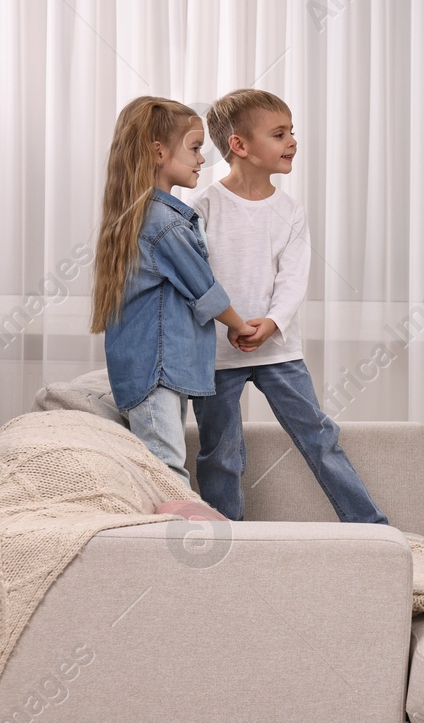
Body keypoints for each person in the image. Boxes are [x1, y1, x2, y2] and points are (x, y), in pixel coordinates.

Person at [191, 88, 388, 524]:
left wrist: (271, 323)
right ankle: (228, 539)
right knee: (221, 452)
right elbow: (196, 277)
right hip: (217, 354)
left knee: (319, 438)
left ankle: (371, 528)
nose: (293, 142)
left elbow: (294, 279)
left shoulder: (291, 211)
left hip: (279, 351)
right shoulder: (202, 206)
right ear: (239, 146)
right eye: (279, 134)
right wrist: (235, 324)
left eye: (292, 132)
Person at [91, 97, 258, 484]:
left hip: (155, 369)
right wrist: (239, 326)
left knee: (163, 464)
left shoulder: (144, 214)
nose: (202, 159)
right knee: (165, 469)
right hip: (157, 370)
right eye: (196, 148)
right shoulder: (163, 222)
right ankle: (169, 536)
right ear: (159, 152)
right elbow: (203, 288)